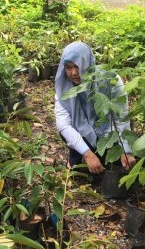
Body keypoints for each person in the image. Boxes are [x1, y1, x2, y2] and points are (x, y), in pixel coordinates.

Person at [54, 42, 136, 174]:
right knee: (79, 150)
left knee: (118, 162)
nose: (74, 73)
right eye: (68, 68)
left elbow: (121, 116)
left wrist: (124, 149)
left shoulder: (110, 80)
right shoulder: (63, 88)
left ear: (87, 63)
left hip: (108, 131)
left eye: (77, 66)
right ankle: (79, 154)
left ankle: (101, 155)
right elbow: (64, 126)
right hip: (82, 132)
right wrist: (88, 154)